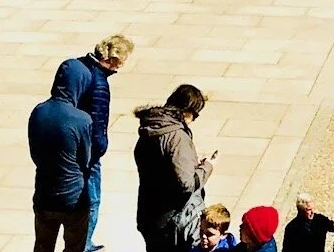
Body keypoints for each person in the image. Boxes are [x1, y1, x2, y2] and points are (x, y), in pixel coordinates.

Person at [57, 35, 135, 252]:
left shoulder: (78, 67)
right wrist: (100, 149)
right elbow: (98, 123)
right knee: (91, 200)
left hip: (67, 144)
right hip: (87, 153)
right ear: (114, 59)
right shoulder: (99, 83)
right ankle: (83, 243)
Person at [136, 84, 216, 252]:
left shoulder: (150, 127)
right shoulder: (177, 137)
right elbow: (186, 184)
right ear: (187, 111)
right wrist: (207, 167)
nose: (194, 120)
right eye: (195, 114)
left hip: (149, 213)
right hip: (172, 220)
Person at [30, 58, 95, 252]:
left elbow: (34, 153)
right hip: (73, 198)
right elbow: (86, 160)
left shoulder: (38, 112)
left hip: (44, 194)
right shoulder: (82, 120)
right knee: (74, 246)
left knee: (42, 245)